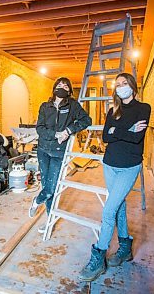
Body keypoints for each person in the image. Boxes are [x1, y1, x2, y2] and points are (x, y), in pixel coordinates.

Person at [79, 73, 151, 281]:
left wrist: (117, 130)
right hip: (110, 164)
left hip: (130, 166)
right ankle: (125, 247)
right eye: (118, 85)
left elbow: (137, 137)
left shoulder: (143, 108)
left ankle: (98, 257)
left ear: (132, 87)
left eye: (124, 83)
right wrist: (125, 130)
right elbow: (105, 137)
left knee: (109, 210)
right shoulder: (114, 110)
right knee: (119, 206)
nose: (121, 87)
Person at [28, 77, 92, 233]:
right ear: (54, 88)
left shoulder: (73, 106)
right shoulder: (45, 106)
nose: (61, 87)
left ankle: (36, 201)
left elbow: (86, 120)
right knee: (46, 185)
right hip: (43, 150)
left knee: (51, 188)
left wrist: (69, 131)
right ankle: (49, 221)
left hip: (58, 152)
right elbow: (40, 128)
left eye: (65, 85)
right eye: (59, 85)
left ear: (69, 91)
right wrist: (56, 134)